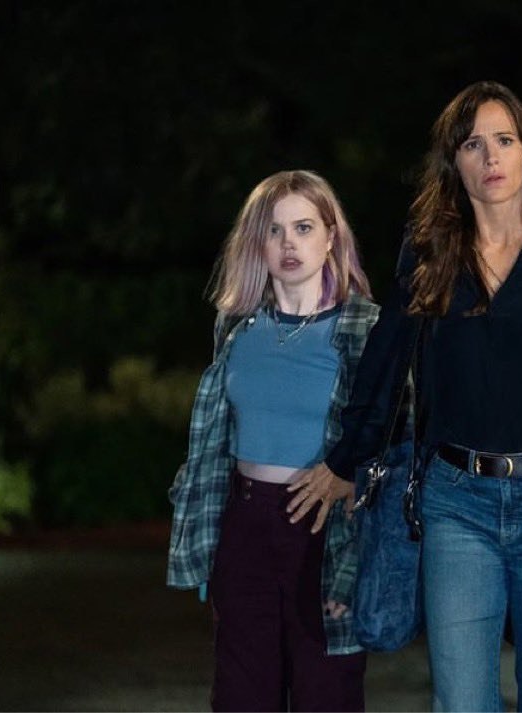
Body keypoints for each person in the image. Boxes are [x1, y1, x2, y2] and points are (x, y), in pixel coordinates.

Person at [287, 81, 522, 711]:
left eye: (504, 140)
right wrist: (346, 459)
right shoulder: (429, 253)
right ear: (454, 162)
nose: (491, 156)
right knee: (461, 703)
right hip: (457, 504)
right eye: (472, 144)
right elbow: (385, 361)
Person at [167, 170, 379, 712]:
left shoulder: (365, 328)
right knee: (241, 697)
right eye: (275, 230)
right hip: (246, 524)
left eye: (304, 228)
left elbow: (396, 437)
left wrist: (355, 491)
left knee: (326, 695)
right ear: (257, 242)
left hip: (326, 528)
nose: (289, 244)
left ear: (330, 237)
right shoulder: (236, 327)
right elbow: (213, 447)